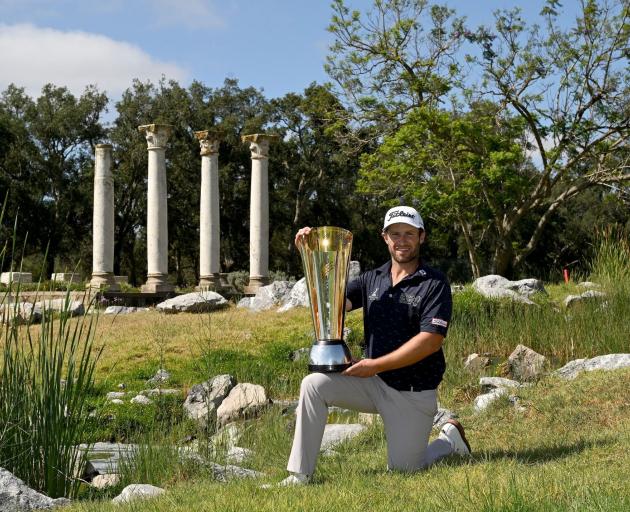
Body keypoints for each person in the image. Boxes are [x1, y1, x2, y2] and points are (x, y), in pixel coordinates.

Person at [280, 206, 471, 486]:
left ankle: (448, 441)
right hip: (373, 383)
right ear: (385, 238)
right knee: (314, 384)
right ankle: (300, 475)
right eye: (395, 234)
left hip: (412, 392)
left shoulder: (434, 282)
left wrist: (375, 365)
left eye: (409, 234)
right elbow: (330, 307)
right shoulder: (372, 279)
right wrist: (310, 257)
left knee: (406, 469)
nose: (402, 240)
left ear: (422, 237)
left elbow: (430, 341)